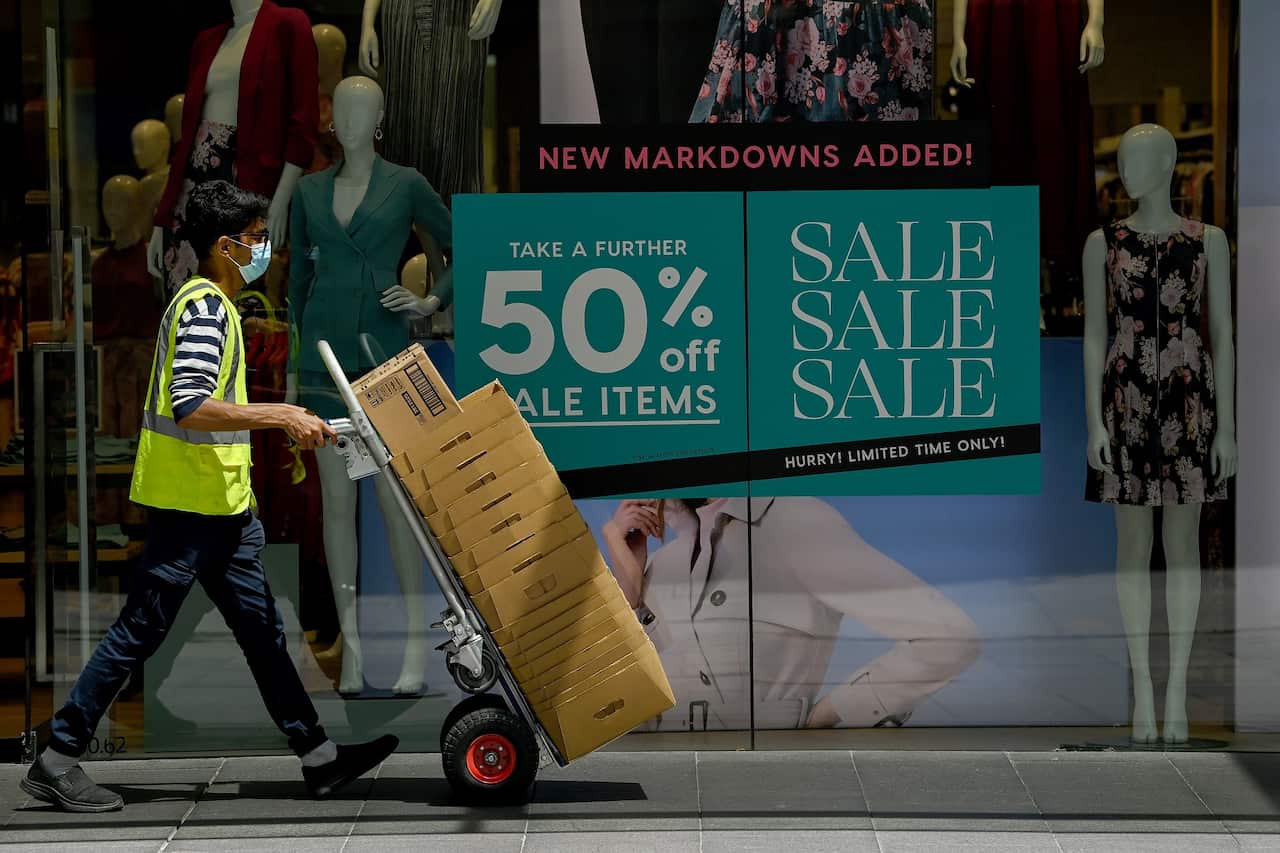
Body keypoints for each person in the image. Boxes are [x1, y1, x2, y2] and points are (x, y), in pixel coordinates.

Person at [21, 181, 398, 813]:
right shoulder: (205, 309)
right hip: (191, 509)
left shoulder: (208, 303)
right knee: (140, 631)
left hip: (222, 508)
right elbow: (190, 404)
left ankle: (319, 758)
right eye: (255, 239)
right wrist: (282, 415)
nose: (265, 251)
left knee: (264, 633)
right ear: (225, 245)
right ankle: (57, 759)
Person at [603, 496, 981, 731]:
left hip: (762, 771)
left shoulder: (793, 521)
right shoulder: (663, 560)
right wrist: (631, 591)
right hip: (664, 771)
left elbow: (947, 637)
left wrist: (832, 713)